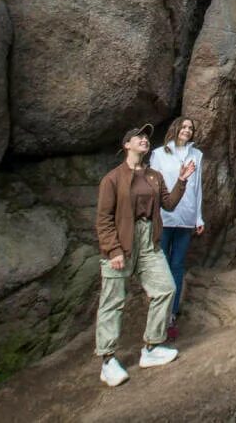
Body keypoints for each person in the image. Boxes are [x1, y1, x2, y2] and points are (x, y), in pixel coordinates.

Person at [95, 124, 197, 387]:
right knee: (112, 302)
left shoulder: (154, 176)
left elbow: (169, 204)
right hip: (121, 242)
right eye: (139, 137)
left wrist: (182, 181)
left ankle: (151, 348)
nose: (144, 140)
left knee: (165, 289)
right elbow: (104, 219)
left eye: (146, 138)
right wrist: (114, 250)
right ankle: (108, 361)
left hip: (149, 240)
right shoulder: (112, 179)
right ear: (126, 144)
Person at [149, 116, 205, 342]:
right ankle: (158, 312)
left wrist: (199, 217)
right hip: (164, 216)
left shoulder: (197, 155)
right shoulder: (159, 153)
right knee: (161, 266)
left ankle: (171, 314)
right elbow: (153, 185)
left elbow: (197, 186)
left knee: (177, 266)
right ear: (175, 128)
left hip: (186, 216)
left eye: (190, 128)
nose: (187, 130)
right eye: (183, 126)